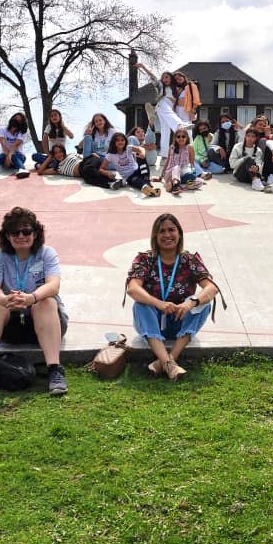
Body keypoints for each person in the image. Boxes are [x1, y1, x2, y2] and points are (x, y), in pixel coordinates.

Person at [0, 208, 68, 399]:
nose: (21, 236)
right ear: (7, 236)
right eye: (15, 232)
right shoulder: (1, 256)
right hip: (11, 326)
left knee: (46, 302)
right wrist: (4, 299)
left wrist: (31, 297)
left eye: (26, 231)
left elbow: (54, 285)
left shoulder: (47, 254)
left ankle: (54, 370)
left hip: (44, 321)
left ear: (35, 233)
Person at [125, 213, 220, 380]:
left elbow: (211, 288)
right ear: (155, 235)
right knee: (141, 305)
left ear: (180, 233)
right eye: (162, 231)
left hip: (179, 321)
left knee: (204, 304)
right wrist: (159, 303)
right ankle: (169, 364)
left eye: (171, 230)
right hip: (153, 321)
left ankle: (166, 361)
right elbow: (132, 289)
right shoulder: (145, 259)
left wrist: (191, 303)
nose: (167, 235)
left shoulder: (189, 259)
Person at [137, 63, 196, 159]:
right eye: (163, 78)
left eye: (166, 77)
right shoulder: (161, 86)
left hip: (167, 110)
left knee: (165, 131)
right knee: (168, 111)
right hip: (162, 105)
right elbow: (153, 77)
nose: (164, 79)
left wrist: (193, 111)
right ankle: (179, 126)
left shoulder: (175, 88)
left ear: (170, 78)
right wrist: (143, 67)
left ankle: (164, 153)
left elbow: (185, 95)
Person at [93, 132, 160, 195]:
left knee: (140, 157)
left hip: (138, 171)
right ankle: (146, 188)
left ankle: (147, 181)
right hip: (129, 176)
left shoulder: (128, 148)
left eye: (122, 140)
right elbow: (101, 169)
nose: (120, 142)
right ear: (113, 142)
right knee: (134, 181)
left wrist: (142, 153)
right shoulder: (110, 155)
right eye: (118, 140)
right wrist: (107, 173)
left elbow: (140, 149)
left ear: (125, 141)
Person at [0, 113, 31, 178]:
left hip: (19, 157)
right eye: (15, 118)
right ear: (12, 119)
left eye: (19, 121)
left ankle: (22, 169)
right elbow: (3, 145)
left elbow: (15, 145)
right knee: (2, 155)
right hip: (5, 158)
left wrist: (9, 157)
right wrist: (7, 158)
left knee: (14, 155)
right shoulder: (2, 129)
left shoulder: (22, 132)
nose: (16, 121)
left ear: (21, 124)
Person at [162, 128, 202, 194]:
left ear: (187, 137)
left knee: (200, 182)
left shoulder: (190, 148)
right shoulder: (172, 147)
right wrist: (161, 176)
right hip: (171, 173)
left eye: (183, 136)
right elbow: (167, 161)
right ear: (175, 138)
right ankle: (175, 186)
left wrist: (194, 176)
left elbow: (192, 164)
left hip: (183, 174)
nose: (181, 138)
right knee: (177, 167)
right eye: (178, 137)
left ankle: (176, 186)